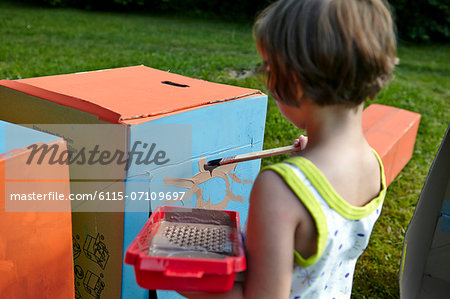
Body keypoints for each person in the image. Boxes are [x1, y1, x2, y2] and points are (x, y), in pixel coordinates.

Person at [181, 0, 396, 297]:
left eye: (269, 67)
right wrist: (310, 159)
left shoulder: (280, 190)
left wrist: (183, 281)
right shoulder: (371, 163)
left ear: (294, 79)